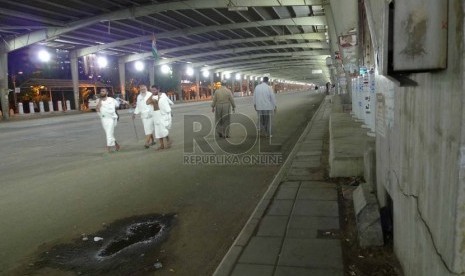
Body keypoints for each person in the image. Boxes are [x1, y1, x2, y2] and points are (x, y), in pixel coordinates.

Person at [96, 88, 120, 152]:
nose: (101, 92)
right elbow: (97, 109)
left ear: (107, 93)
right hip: (104, 119)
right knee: (109, 133)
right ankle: (117, 145)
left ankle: (108, 148)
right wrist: (100, 101)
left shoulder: (111, 99)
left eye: (103, 91)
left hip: (111, 119)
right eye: (101, 91)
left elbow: (117, 105)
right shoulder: (99, 100)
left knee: (109, 132)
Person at [132, 84, 155, 149]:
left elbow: (155, 103)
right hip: (143, 116)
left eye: (144, 89)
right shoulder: (139, 96)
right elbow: (138, 106)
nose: (143, 90)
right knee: (147, 128)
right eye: (141, 89)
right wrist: (134, 114)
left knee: (148, 128)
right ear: (140, 89)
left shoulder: (150, 94)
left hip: (151, 114)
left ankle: (147, 143)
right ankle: (153, 141)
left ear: (146, 88)